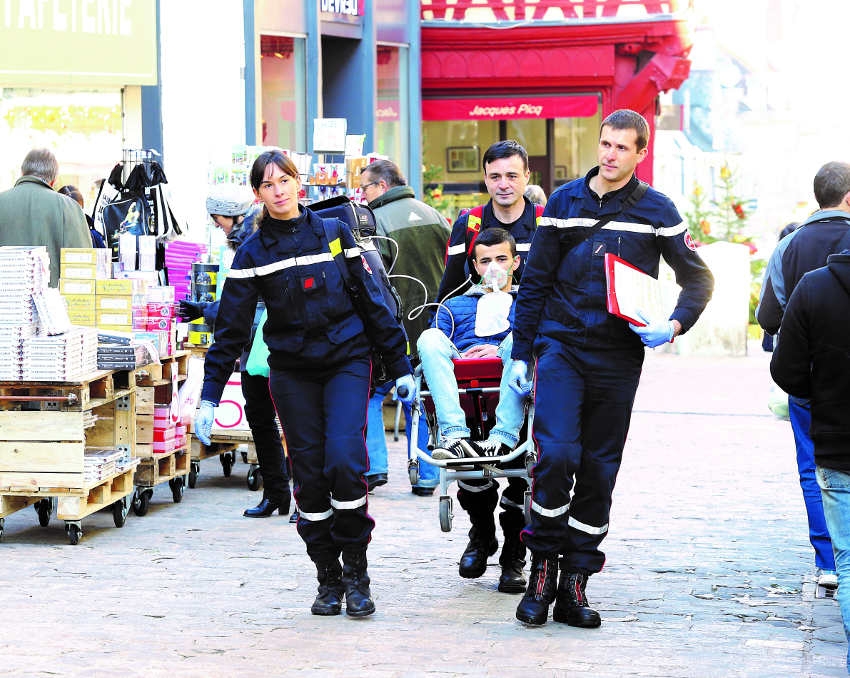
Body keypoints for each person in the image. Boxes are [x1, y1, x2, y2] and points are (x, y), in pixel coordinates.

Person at [509, 109, 714, 627]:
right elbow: (534, 282)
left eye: (622, 147)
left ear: (641, 153)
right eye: (605, 144)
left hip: (618, 357)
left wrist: (673, 325)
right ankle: (542, 571)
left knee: (600, 469)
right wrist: (519, 352)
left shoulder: (658, 211)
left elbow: (699, 279)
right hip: (560, 347)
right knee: (554, 455)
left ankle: (575, 583)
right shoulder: (562, 203)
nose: (609, 154)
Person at [194, 149, 415, 618]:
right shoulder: (252, 254)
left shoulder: (334, 234)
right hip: (292, 370)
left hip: (347, 361)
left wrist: (400, 365)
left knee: (344, 460)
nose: (278, 191)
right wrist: (209, 396)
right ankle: (327, 577)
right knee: (310, 474)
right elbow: (230, 329)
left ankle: (357, 573)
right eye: (268, 185)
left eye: (285, 180)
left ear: (300, 184)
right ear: (257, 194)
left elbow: (372, 300)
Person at [419, 227, 529, 593]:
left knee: (522, 339)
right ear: (475, 266)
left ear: (515, 262)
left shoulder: (529, 302)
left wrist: (500, 351)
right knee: (429, 338)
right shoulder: (455, 306)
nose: (494, 267)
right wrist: (460, 351)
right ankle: (482, 535)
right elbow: (438, 348)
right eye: (486, 261)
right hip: (466, 403)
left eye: (501, 259)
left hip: (516, 402)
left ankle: (515, 553)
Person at [757, 161, 850, 595]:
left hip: (809, 379)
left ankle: (828, 561)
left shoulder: (789, 246)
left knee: (813, 468)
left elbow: (768, 316)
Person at [178, 185, 294, 521]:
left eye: (217, 218)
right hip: (254, 345)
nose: (217, 225)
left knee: (283, 421)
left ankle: (292, 497)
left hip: (268, 344)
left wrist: (210, 312)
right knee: (267, 420)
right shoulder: (246, 240)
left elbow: (247, 304)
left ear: (231, 215)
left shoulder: (253, 242)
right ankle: (280, 495)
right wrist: (210, 311)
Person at [769, 250, 850, 673]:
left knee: (849, 560)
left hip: (838, 440)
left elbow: (786, 369)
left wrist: (819, 394)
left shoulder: (815, 285)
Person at [359, 159, 451, 495]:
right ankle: (427, 476)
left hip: (394, 324)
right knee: (424, 399)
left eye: (365, 188)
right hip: (433, 322)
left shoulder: (375, 222)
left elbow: (375, 281)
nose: (362, 195)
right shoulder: (435, 215)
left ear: (381, 187)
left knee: (372, 392)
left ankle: (374, 467)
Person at [436, 140, 541, 303]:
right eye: (495, 177)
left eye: (512, 176)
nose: (503, 185)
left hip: (536, 325)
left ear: (527, 176)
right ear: (485, 178)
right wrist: (438, 326)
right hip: (479, 325)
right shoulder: (468, 224)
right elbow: (449, 292)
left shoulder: (545, 221)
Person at [0, 148, 91, 287]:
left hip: (5, 304)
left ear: (22, 173)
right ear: (53, 181)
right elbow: (83, 267)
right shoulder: (69, 207)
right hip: (53, 305)